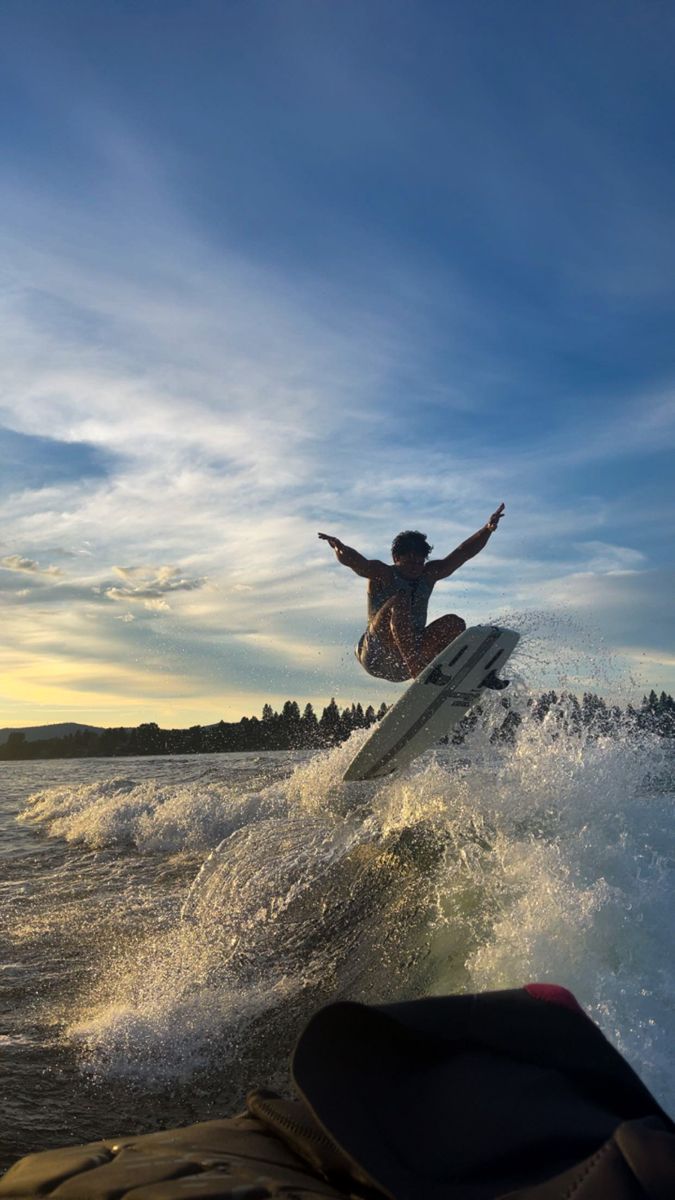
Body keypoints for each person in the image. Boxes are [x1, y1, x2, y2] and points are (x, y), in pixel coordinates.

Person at [318, 504, 505, 681]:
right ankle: (418, 669)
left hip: (408, 658)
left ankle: (467, 673)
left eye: (420, 562)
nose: (416, 567)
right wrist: (339, 547)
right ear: (396, 558)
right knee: (401, 600)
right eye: (410, 561)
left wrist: (487, 530)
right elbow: (358, 563)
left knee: (454, 623)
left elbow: (462, 553)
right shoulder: (383, 574)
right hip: (377, 653)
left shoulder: (429, 574)